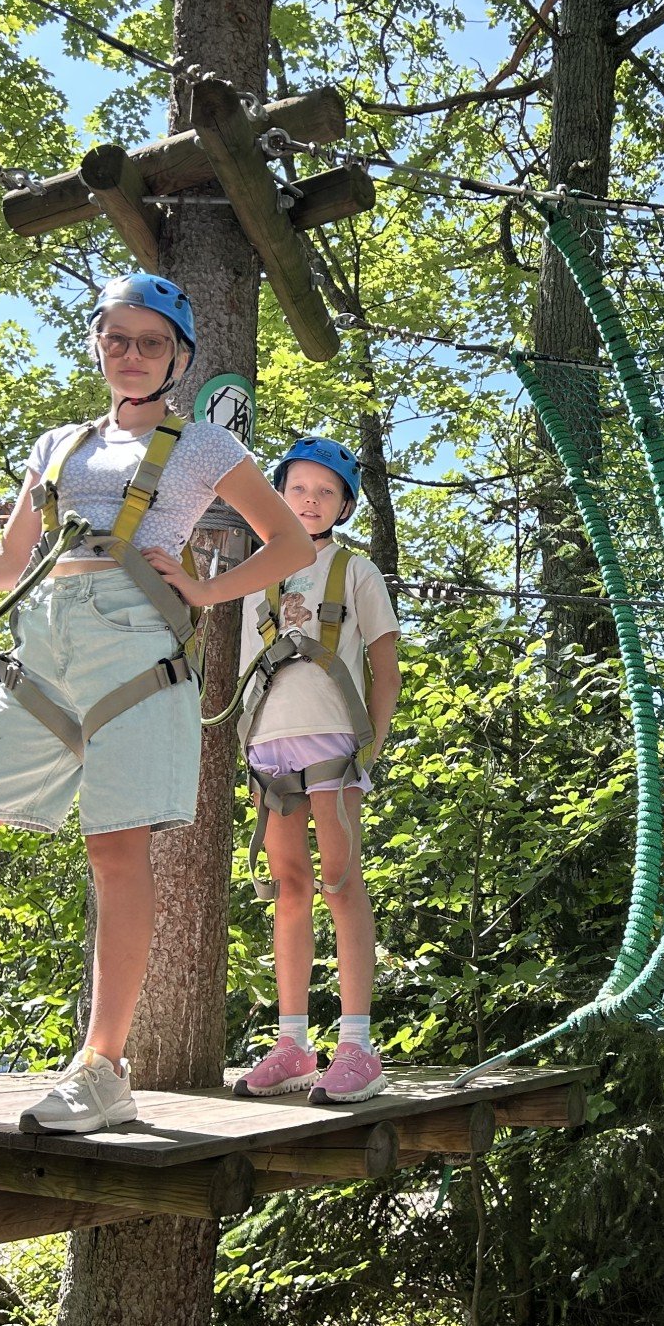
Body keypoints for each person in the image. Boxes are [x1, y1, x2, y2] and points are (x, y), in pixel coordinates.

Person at [0, 273, 308, 1133]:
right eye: (117, 338)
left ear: (179, 358)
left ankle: (101, 1069)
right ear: (98, 345)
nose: (131, 354)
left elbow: (291, 543)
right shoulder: (57, 446)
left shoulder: (204, 447)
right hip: (45, 649)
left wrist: (205, 591)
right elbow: (12, 562)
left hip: (136, 650)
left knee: (115, 848)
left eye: (151, 342)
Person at [159, 435, 400, 1104]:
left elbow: (385, 670)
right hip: (269, 748)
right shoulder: (256, 577)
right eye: (297, 489)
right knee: (288, 888)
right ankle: (292, 1044)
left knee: (341, 882)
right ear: (278, 495)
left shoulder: (355, 571)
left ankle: (357, 1045)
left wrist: (371, 748)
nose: (310, 501)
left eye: (326, 492)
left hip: (335, 743)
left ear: (345, 505)